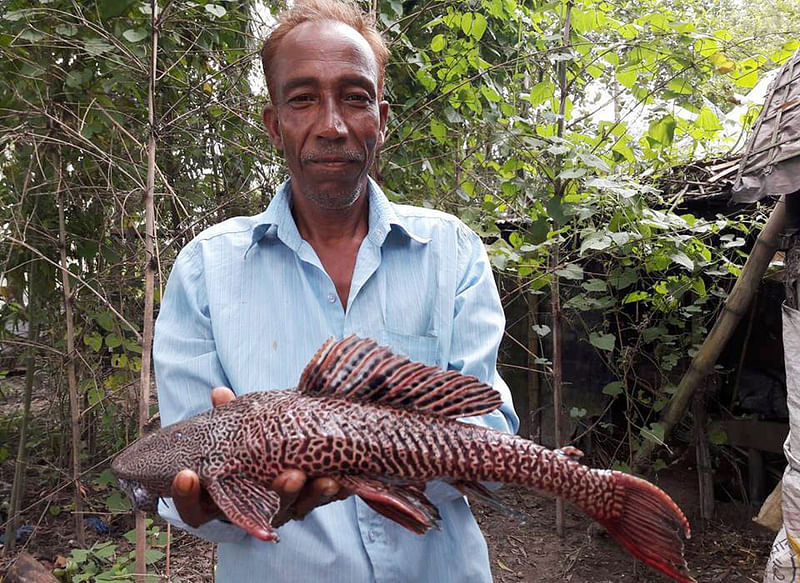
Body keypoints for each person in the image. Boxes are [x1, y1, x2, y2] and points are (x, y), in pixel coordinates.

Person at [153, 0, 519, 580]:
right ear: (275, 125)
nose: (331, 124)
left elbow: (490, 434)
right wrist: (209, 504)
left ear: (381, 116)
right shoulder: (205, 270)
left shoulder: (451, 252)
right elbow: (188, 481)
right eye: (303, 99)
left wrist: (372, 449)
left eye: (355, 96)